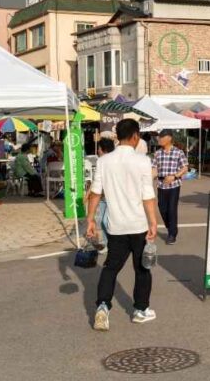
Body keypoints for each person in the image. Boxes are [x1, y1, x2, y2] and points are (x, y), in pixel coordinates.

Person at [86, 119, 158, 330]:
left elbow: (96, 192)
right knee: (142, 268)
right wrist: (153, 222)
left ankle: (102, 306)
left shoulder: (104, 161)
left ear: (117, 136)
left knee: (110, 267)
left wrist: (90, 219)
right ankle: (140, 310)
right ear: (135, 136)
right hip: (138, 224)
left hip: (115, 225)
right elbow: (147, 195)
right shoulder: (142, 161)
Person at [152, 130, 188, 245]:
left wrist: (174, 176)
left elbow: (185, 168)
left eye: (161, 137)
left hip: (174, 185)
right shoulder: (157, 153)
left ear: (169, 138)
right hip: (161, 185)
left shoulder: (178, 152)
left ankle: (172, 234)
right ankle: (171, 228)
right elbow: (154, 169)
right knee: (162, 209)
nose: (159, 139)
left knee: (172, 210)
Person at [94, 137, 116, 251]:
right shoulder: (100, 162)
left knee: (106, 221)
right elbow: (96, 181)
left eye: (99, 148)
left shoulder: (114, 162)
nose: (98, 150)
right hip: (102, 196)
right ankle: (108, 244)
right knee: (101, 221)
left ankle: (113, 243)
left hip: (112, 196)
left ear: (104, 149)